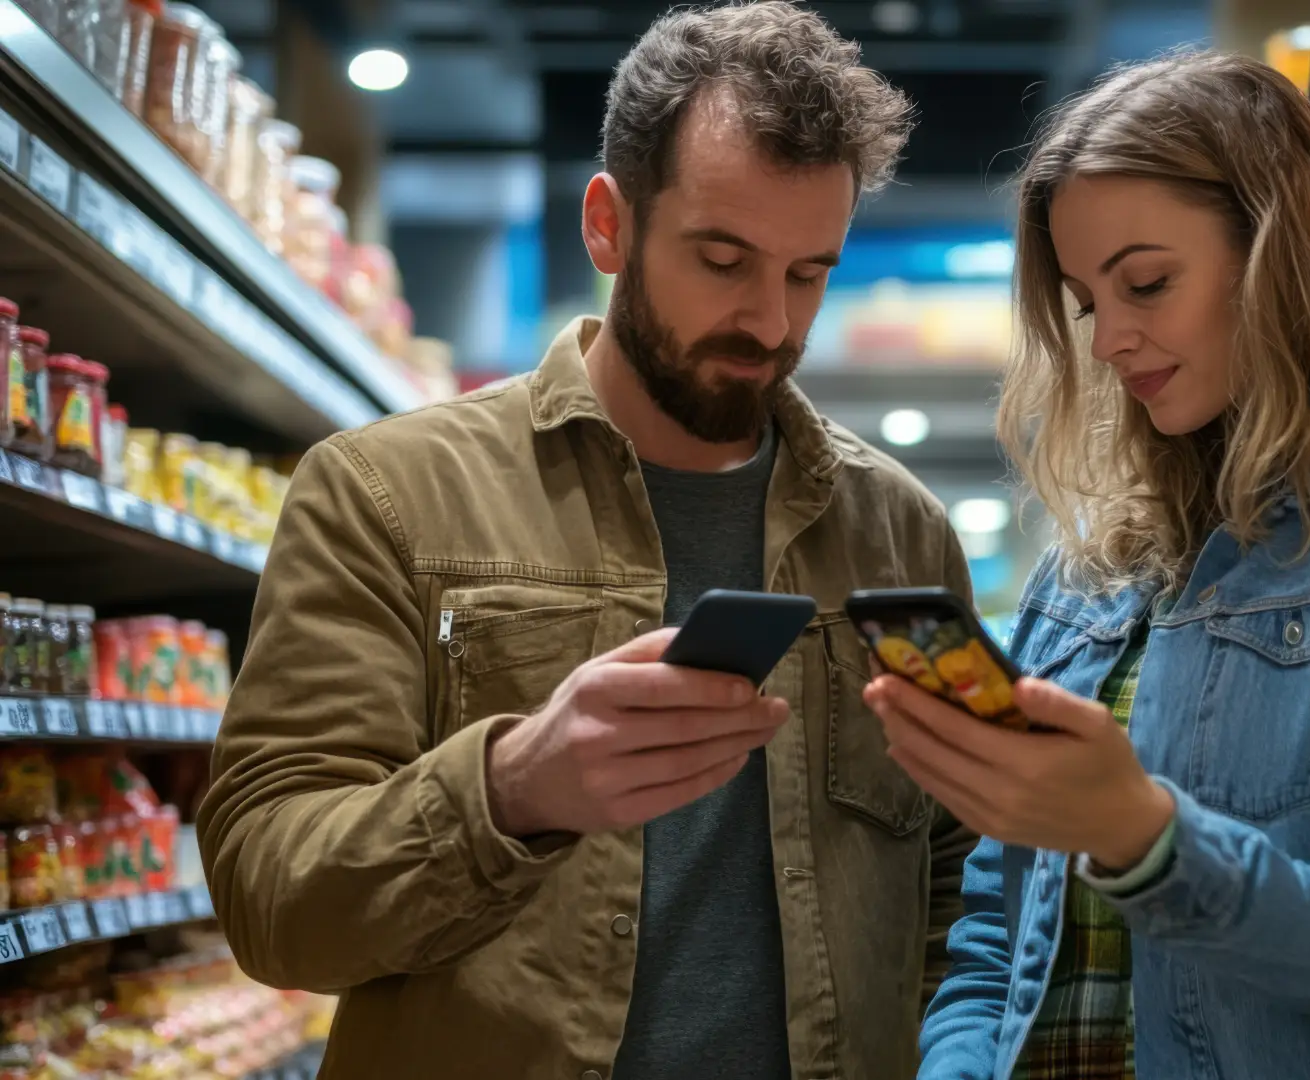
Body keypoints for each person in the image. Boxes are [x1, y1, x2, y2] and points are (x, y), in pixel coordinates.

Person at [196, 5, 976, 1078]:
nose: (769, 320)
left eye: (809, 273)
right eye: (722, 258)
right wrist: (513, 789)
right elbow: (270, 905)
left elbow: (952, 887)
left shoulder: (900, 534)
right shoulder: (385, 494)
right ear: (608, 224)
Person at [866, 52, 1310, 1080]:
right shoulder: (1085, 572)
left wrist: (1147, 841)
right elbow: (992, 946)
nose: (1108, 343)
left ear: (1282, 251)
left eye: (1147, 283)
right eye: (1089, 302)